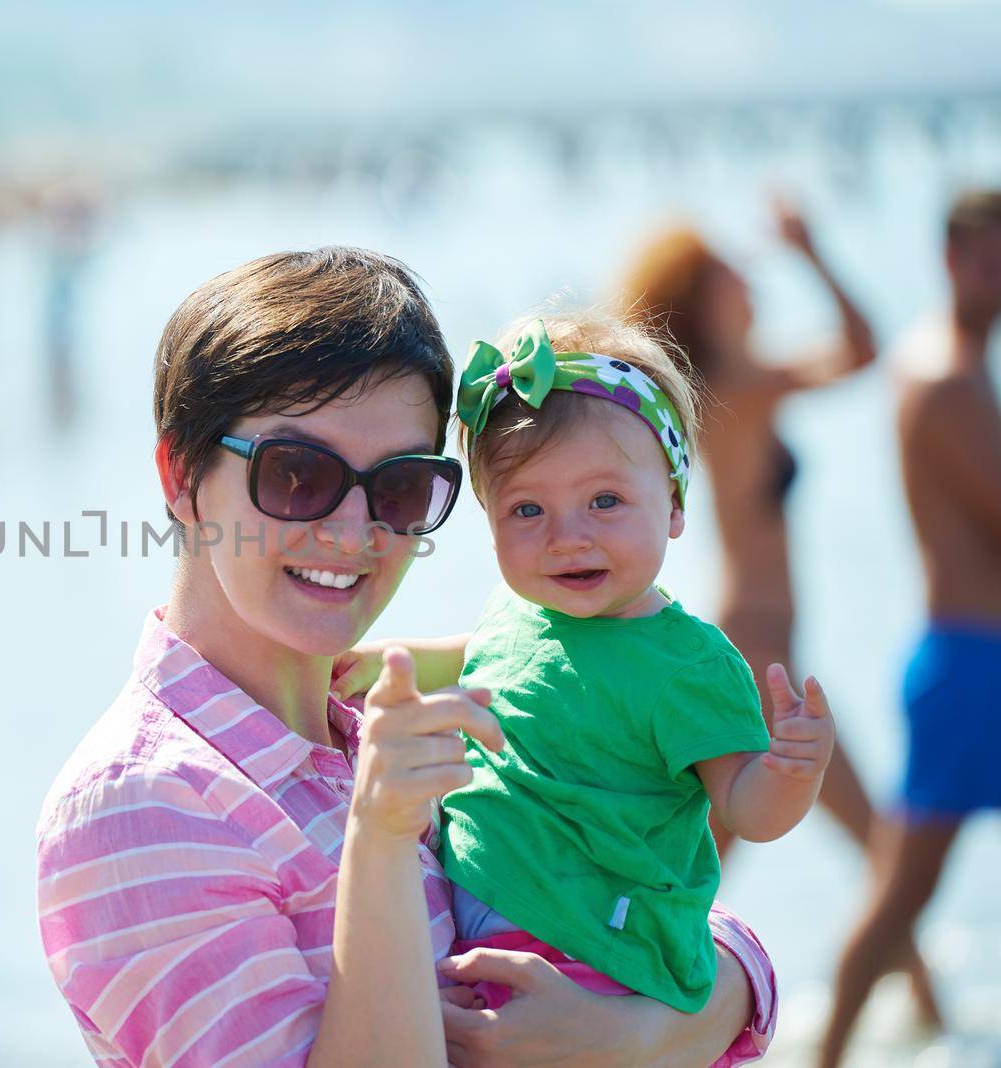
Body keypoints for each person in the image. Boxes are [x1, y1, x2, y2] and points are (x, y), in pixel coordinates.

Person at [37, 248, 777, 1067]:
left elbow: (648, 899)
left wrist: (648, 1031)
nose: (353, 532)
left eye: (398, 486)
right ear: (181, 474)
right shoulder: (145, 806)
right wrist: (381, 841)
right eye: (295, 473)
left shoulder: (379, 730)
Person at [335, 313, 833, 1016]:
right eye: (528, 509)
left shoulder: (687, 663)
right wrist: (373, 663)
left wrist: (791, 774)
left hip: (596, 948)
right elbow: (478, 661)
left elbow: (744, 805)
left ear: (674, 504)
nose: (568, 538)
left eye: (605, 501)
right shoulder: (518, 610)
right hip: (477, 912)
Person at [614, 203, 944, 1024]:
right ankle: (930, 1021)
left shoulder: (733, 383)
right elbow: (865, 348)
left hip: (758, 649)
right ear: (701, 294)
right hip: (758, 650)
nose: (748, 279)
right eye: (731, 271)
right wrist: (813, 247)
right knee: (876, 841)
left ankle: (639, 1001)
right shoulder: (739, 385)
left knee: (716, 861)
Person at [817, 189, 1001, 1068]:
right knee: (900, 896)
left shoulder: (965, 362)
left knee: (900, 892)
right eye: (990, 257)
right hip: (972, 668)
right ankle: (825, 1055)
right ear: (952, 257)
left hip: (977, 661)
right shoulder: (943, 372)